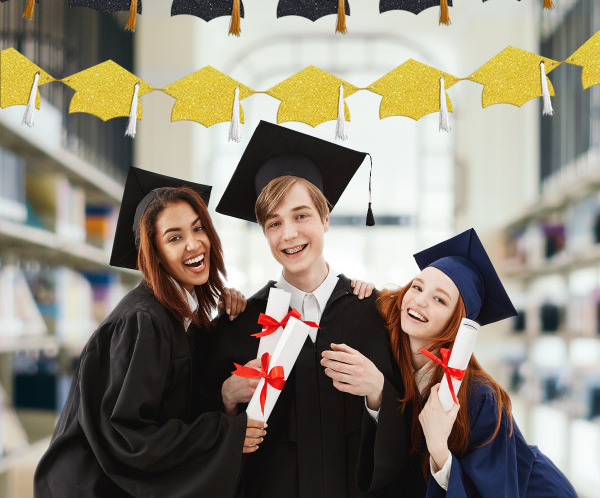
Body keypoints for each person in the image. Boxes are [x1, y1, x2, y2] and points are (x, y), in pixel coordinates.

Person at [205, 121, 410, 498]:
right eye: (274, 223)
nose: (289, 234)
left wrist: (379, 393)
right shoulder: (241, 323)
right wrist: (227, 399)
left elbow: (413, 422)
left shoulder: (373, 313)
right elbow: (204, 433)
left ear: (325, 218)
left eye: (301, 216)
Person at [34, 167, 267, 498]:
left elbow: (171, 409)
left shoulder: (180, 315)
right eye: (174, 237)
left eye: (198, 228)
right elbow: (129, 437)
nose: (193, 244)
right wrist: (224, 434)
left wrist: (225, 397)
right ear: (154, 254)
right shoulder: (142, 322)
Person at [322, 228, 578, 497]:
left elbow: (497, 490)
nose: (419, 300)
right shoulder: (391, 355)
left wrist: (439, 448)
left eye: (439, 299)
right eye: (417, 286)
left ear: (457, 324)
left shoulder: (481, 398)